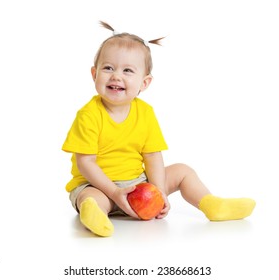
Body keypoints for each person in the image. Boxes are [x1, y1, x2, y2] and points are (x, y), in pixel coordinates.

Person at [62, 21, 256, 237]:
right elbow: (85, 163)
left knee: (182, 171)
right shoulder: (88, 115)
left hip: (137, 184)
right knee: (90, 198)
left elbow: (152, 155)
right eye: (108, 68)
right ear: (94, 74)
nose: (116, 76)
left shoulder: (145, 113)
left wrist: (159, 192)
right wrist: (115, 192)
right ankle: (93, 215)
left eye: (127, 70)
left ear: (144, 83)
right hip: (98, 186)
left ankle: (212, 204)